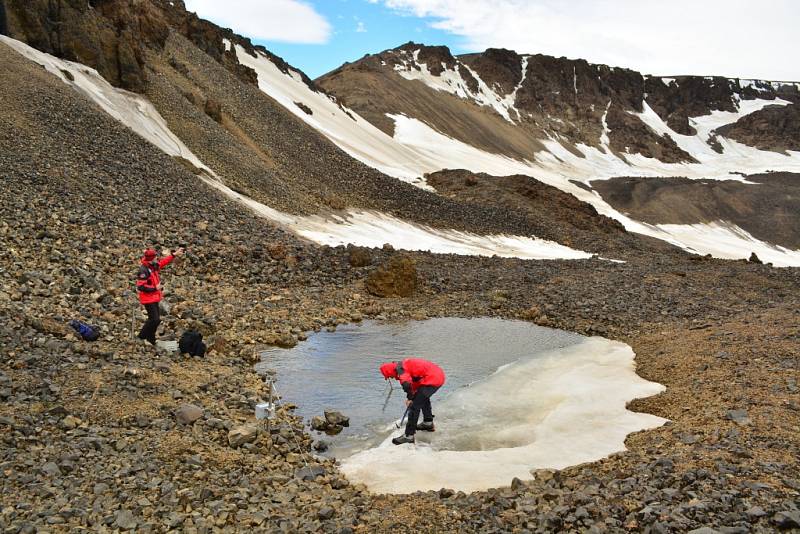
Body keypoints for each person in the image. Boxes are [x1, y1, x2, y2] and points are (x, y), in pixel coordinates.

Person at [380, 358, 446, 445]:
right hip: (436, 375)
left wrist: (410, 398)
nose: (391, 377)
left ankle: (409, 436)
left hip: (433, 379)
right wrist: (411, 395)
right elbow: (414, 382)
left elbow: (406, 385)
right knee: (423, 398)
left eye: (389, 376)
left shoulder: (400, 370)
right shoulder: (402, 365)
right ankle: (428, 423)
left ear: (390, 371)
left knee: (414, 406)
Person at [136, 247, 184, 345]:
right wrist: (155, 288)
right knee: (154, 319)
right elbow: (141, 287)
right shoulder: (143, 270)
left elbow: (162, 263)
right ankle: (141, 336)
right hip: (148, 299)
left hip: (154, 297)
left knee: (155, 320)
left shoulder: (152, 266)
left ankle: (151, 339)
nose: (156, 258)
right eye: (155, 257)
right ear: (151, 258)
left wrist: (174, 255)